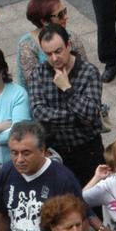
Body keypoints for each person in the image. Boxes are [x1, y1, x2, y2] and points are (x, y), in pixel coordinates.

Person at [0, 121, 84, 231]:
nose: (19, 159)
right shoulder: (6, 172)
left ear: (43, 151)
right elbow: (1, 214)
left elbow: (81, 222)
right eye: (14, 153)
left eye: (26, 153)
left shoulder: (63, 178)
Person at [28, 25, 105, 185]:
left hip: (87, 150)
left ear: (68, 45)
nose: (54, 58)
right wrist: (76, 118)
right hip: (56, 150)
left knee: (93, 201)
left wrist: (67, 88)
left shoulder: (89, 72)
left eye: (58, 51)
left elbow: (90, 114)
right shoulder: (39, 73)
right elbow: (38, 112)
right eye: (48, 54)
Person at [15, 0, 88, 88]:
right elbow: (34, 84)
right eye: (60, 14)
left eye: (65, 11)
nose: (66, 17)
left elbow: (86, 69)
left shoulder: (72, 37)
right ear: (44, 21)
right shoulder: (27, 45)